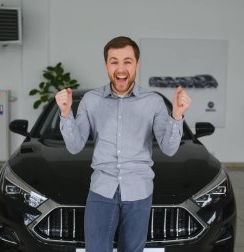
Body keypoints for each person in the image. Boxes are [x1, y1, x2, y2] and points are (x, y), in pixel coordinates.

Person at [55, 36, 191, 252]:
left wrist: (176, 115)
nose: (121, 68)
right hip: (101, 189)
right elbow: (74, 146)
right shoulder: (91, 100)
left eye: (127, 61)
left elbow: (169, 148)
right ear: (106, 65)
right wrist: (65, 113)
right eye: (114, 61)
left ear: (137, 64)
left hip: (139, 190)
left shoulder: (153, 102)